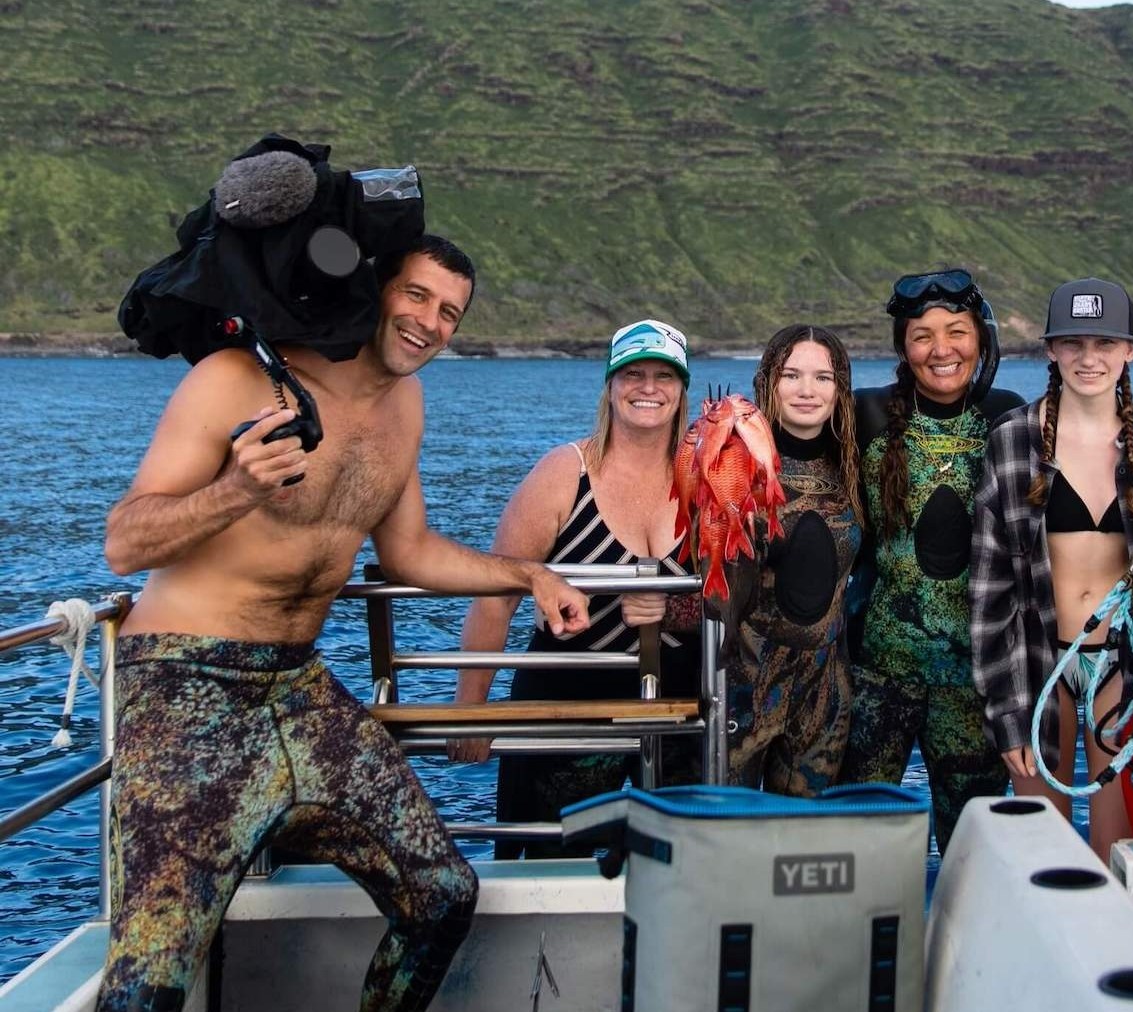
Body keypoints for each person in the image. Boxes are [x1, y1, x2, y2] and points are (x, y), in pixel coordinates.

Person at [99, 235, 592, 1012]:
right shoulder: (239, 379)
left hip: (295, 688)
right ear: (375, 290)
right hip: (182, 682)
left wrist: (529, 575)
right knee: (151, 982)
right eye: (418, 295)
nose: (431, 322)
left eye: (451, 313)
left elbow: (409, 551)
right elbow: (125, 543)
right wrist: (236, 490)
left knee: (441, 894)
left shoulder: (405, 407)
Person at [451, 319, 702, 858]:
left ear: (682, 390)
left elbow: (738, 593)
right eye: (633, 374)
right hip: (566, 707)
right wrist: (471, 709)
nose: (648, 388)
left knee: (682, 867)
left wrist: (673, 606)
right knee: (547, 866)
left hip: (678, 711)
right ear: (610, 386)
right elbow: (496, 596)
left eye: (664, 376)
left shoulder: (706, 478)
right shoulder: (565, 473)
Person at [970, 278, 1133, 859]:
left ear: (1130, 351)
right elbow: (990, 592)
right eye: (1073, 343)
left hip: (1123, 666)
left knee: (1114, 850)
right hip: (1036, 662)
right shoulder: (1013, 439)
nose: (1088, 358)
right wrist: (1006, 713)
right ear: (1051, 349)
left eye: (1105, 343)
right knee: (1041, 853)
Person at [838, 268, 1021, 852]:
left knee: (975, 845)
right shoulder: (865, 414)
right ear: (903, 348)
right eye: (923, 336)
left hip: (974, 678)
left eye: (957, 332)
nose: (942, 350)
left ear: (982, 339)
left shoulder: (1007, 416)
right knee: (860, 839)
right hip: (876, 673)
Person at [714, 324, 864, 795]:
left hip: (824, 696)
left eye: (823, 377)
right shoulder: (733, 464)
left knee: (802, 833)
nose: (807, 390)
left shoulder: (853, 466)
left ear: (840, 388)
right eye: (791, 375)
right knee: (729, 830)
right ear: (767, 382)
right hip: (741, 688)